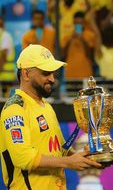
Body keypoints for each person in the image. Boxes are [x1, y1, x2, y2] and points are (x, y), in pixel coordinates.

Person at [0, 44, 102, 189]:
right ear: (26, 74)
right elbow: (23, 158)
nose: (52, 79)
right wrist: (69, 162)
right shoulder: (15, 109)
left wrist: (83, 158)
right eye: (45, 73)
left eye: (53, 73)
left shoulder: (46, 106)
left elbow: (60, 151)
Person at [61, 11, 101, 79]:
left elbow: (91, 56)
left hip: (86, 73)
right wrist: (70, 40)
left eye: (80, 23)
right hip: (70, 74)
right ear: (73, 23)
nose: (78, 25)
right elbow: (62, 55)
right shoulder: (67, 37)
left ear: (84, 23)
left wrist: (82, 39)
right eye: (76, 23)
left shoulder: (90, 35)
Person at [0, 16, 16, 96]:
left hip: (5, 77)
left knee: (3, 101)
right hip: (3, 77)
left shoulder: (5, 36)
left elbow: (3, 56)